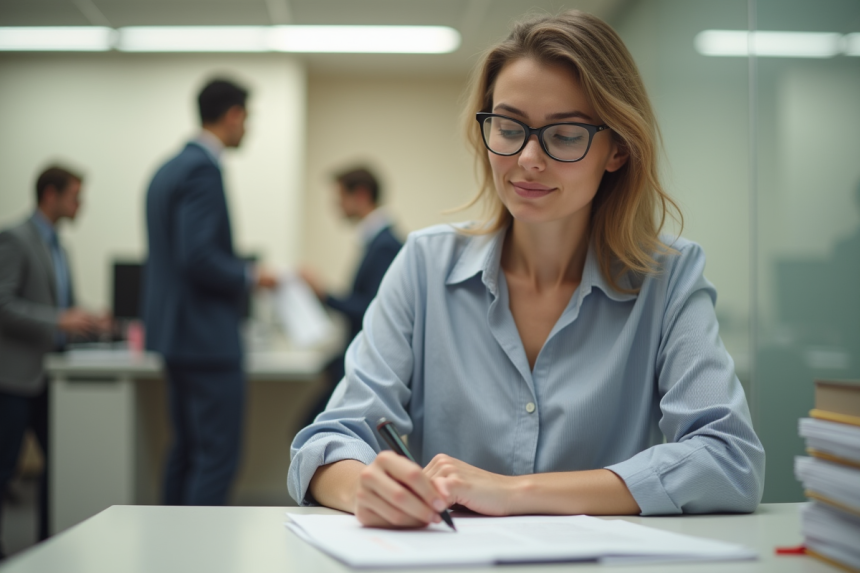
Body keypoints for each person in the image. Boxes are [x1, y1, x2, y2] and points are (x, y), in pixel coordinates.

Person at [288, 10, 765, 527]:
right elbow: (327, 442)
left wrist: (515, 492)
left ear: (618, 149)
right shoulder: (424, 265)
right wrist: (367, 488)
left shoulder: (669, 277)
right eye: (509, 127)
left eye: (564, 134)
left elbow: (728, 461)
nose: (528, 159)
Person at [143, 78, 277, 506]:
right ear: (233, 115)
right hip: (207, 341)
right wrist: (252, 276)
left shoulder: (167, 169)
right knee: (217, 457)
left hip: (175, 337)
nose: (248, 129)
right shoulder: (204, 168)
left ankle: (171, 550)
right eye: (248, 118)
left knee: (186, 450)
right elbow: (197, 257)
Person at [0, 166, 104, 557]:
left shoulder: (59, 246)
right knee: (5, 468)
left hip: (50, 376)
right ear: (50, 195)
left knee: (60, 464)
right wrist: (60, 319)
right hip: (14, 377)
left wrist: (88, 317)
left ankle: (50, 544)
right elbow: (3, 304)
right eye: (75, 196)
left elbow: (58, 308)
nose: (81, 205)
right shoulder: (15, 238)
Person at [300, 167, 402, 427]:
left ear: (361, 195)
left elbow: (372, 308)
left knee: (310, 428)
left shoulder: (385, 244)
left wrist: (324, 294)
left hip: (367, 366)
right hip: (358, 361)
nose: (336, 207)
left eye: (340, 199)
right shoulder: (376, 241)